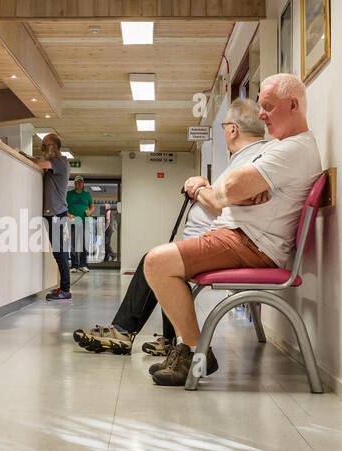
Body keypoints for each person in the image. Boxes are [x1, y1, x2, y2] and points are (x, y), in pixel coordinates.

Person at [145, 73, 322, 386]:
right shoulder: (280, 148)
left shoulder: (293, 149)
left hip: (250, 245)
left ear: (293, 105)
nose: (262, 114)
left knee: (156, 262)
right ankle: (192, 350)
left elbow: (228, 189)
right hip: (238, 238)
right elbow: (231, 190)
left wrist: (221, 189)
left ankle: (195, 352)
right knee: (159, 260)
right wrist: (235, 192)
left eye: (268, 106)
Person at [74, 96, 273, 357]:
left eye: (224, 125)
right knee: (164, 257)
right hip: (225, 241)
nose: (224, 131)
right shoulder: (246, 159)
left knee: (157, 260)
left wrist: (199, 187)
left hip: (235, 245)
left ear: (233, 129)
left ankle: (123, 331)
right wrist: (204, 185)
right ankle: (164, 338)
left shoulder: (252, 160)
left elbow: (221, 202)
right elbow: (226, 198)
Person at [21, 133, 72, 300]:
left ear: (54, 147)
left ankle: (65, 290)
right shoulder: (54, 165)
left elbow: (39, 163)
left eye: (45, 145)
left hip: (57, 213)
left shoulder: (60, 162)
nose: (42, 148)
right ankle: (63, 288)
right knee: (58, 251)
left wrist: (25, 156)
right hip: (53, 213)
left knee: (60, 252)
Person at [66, 177, 95, 271]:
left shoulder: (87, 195)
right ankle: (74, 265)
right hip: (72, 222)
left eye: (81, 182)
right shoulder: (69, 194)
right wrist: (68, 214)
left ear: (83, 184)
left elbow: (92, 207)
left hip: (84, 222)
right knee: (73, 244)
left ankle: (83, 265)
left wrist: (90, 212)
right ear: (74, 183)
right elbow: (63, 206)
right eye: (77, 182)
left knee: (83, 244)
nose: (79, 184)